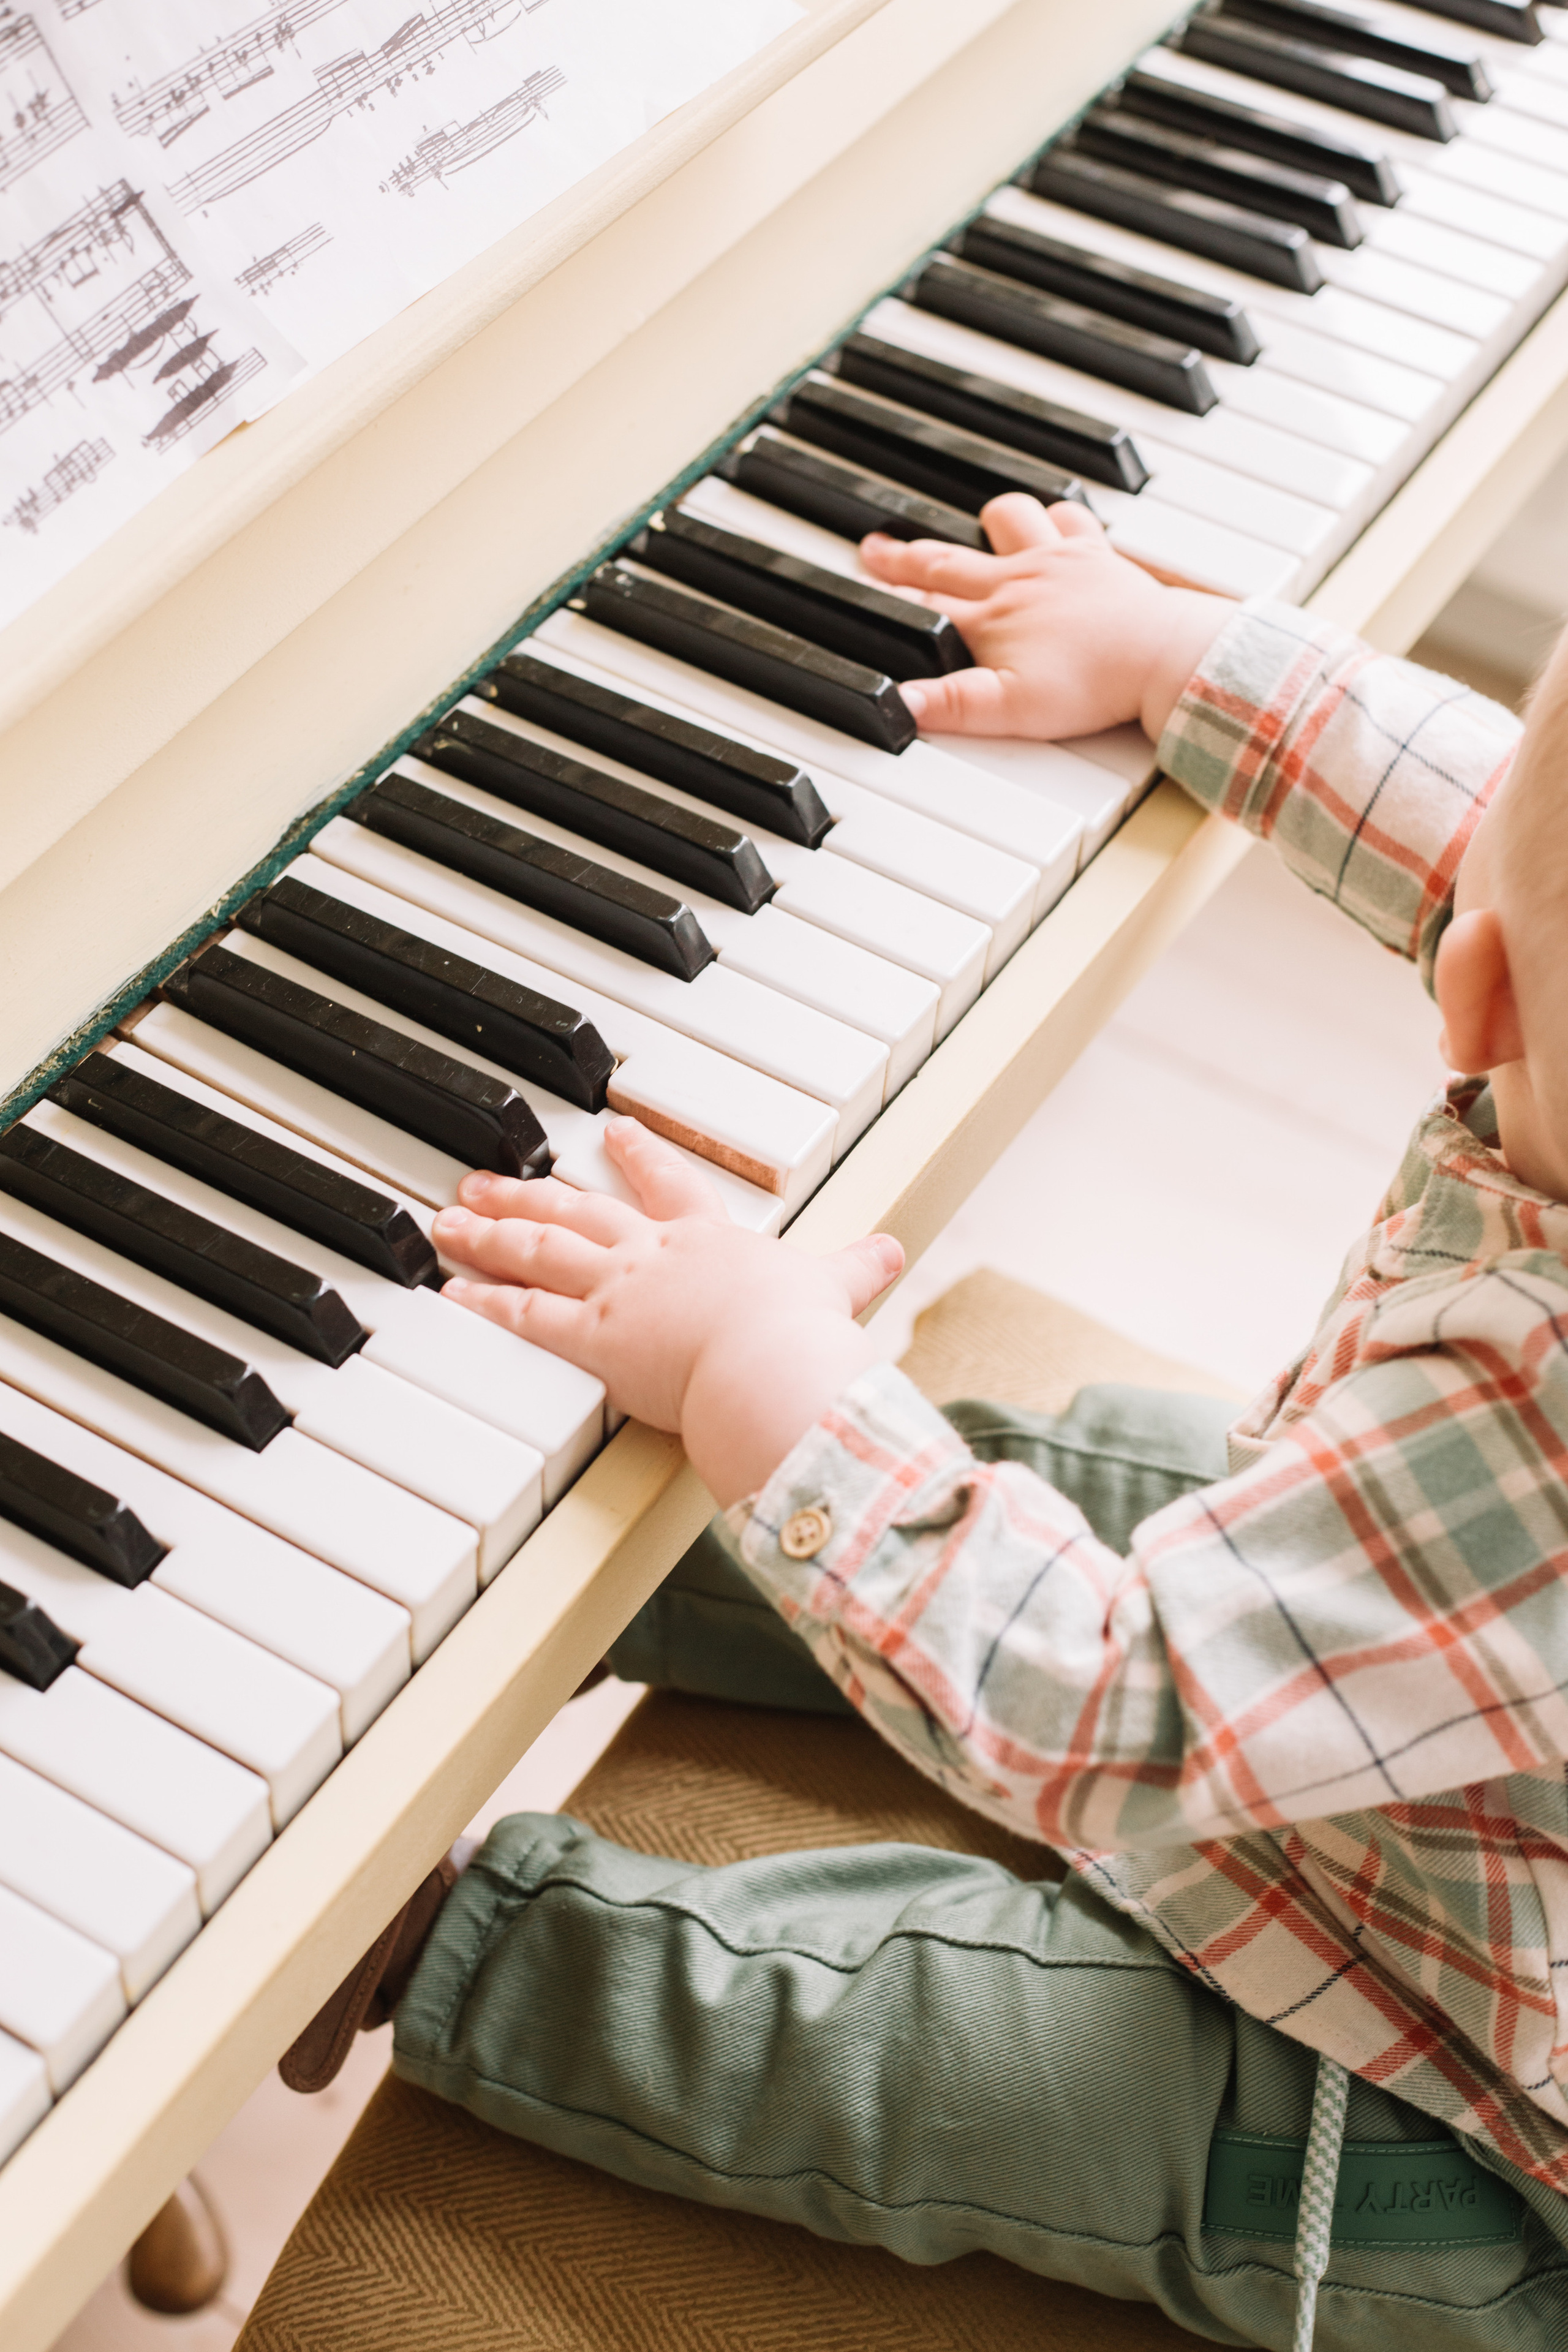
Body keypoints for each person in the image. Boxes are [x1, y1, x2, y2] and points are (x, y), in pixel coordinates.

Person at [327, 498, 1568, 2347]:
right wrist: (1170, 654)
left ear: (1476, 988)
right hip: (1476, 1737)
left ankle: (453, 1944)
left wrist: (765, 1370)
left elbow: (1104, 1701)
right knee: (1046, 1453)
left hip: (1466, 2114)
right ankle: (438, 1564)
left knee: (956, 2048)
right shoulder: (1526, 1001)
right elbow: (1476, 824)